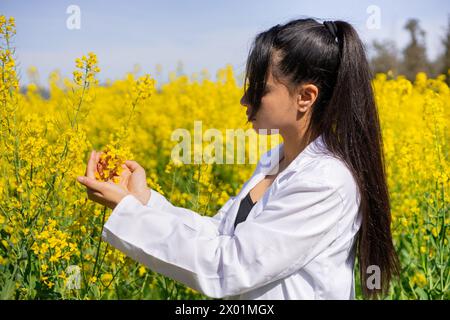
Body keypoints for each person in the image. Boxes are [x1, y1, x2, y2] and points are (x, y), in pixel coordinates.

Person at [76, 18, 400, 299]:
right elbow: (219, 234)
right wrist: (142, 200)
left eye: (260, 89)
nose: (245, 99)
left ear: (305, 97)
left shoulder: (325, 181)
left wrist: (127, 211)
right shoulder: (277, 160)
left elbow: (228, 267)